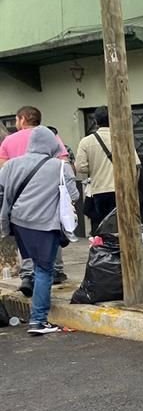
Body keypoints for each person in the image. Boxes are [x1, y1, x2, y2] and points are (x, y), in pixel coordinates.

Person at [0, 127, 80, 336]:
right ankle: (38, 320)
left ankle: (36, 309)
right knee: (45, 270)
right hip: (45, 225)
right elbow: (74, 195)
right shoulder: (60, 167)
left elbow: (3, 193)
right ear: (51, 144)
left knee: (35, 266)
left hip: (18, 224)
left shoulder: (10, 165)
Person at [0, 106, 71, 294]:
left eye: (16, 120)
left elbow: (3, 172)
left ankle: (28, 275)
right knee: (51, 239)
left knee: (26, 246)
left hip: (19, 205)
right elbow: (64, 161)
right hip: (47, 201)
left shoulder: (9, 140)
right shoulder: (51, 137)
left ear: (22, 119)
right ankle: (55, 271)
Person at [75, 106, 141, 232]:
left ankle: (105, 249)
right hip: (123, 190)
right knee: (124, 227)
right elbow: (136, 165)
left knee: (104, 228)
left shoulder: (86, 142)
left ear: (95, 121)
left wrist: (94, 167)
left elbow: (80, 167)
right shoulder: (123, 138)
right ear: (113, 120)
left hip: (100, 190)